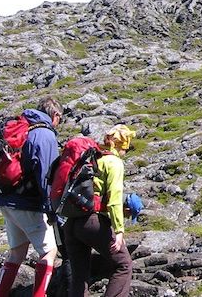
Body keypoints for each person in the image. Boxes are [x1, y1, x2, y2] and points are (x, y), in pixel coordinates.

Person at [0, 97, 63, 297]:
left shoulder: (21, 126)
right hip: (27, 203)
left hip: (7, 200)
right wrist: (52, 208)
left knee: (17, 251)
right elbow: (46, 176)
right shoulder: (44, 134)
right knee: (49, 252)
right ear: (55, 115)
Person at [64, 124, 135, 297]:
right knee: (123, 265)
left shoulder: (91, 158)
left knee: (79, 276)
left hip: (71, 222)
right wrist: (119, 231)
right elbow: (114, 200)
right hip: (92, 222)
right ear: (122, 145)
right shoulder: (114, 163)